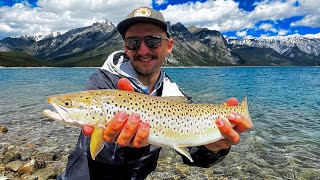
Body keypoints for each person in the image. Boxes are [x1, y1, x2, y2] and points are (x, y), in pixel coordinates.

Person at [58, 6, 253, 180]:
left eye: (152, 41)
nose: (143, 50)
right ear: (126, 47)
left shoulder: (176, 96)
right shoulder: (103, 84)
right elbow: (96, 151)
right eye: (133, 42)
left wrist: (215, 147)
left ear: (168, 46)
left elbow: (195, 155)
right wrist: (129, 148)